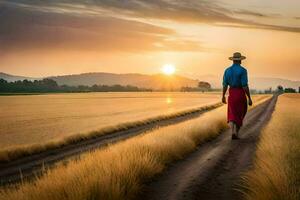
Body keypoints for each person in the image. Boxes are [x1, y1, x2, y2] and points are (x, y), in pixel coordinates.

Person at [222, 52, 252, 140]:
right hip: (240, 94)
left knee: (232, 115)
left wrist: (223, 96)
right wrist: (249, 98)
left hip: (231, 94)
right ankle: (236, 132)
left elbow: (224, 85)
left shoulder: (227, 70)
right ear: (240, 60)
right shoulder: (243, 70)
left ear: (233, 60)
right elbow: (245, 86)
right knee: (240, 113)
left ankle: (232, 132)